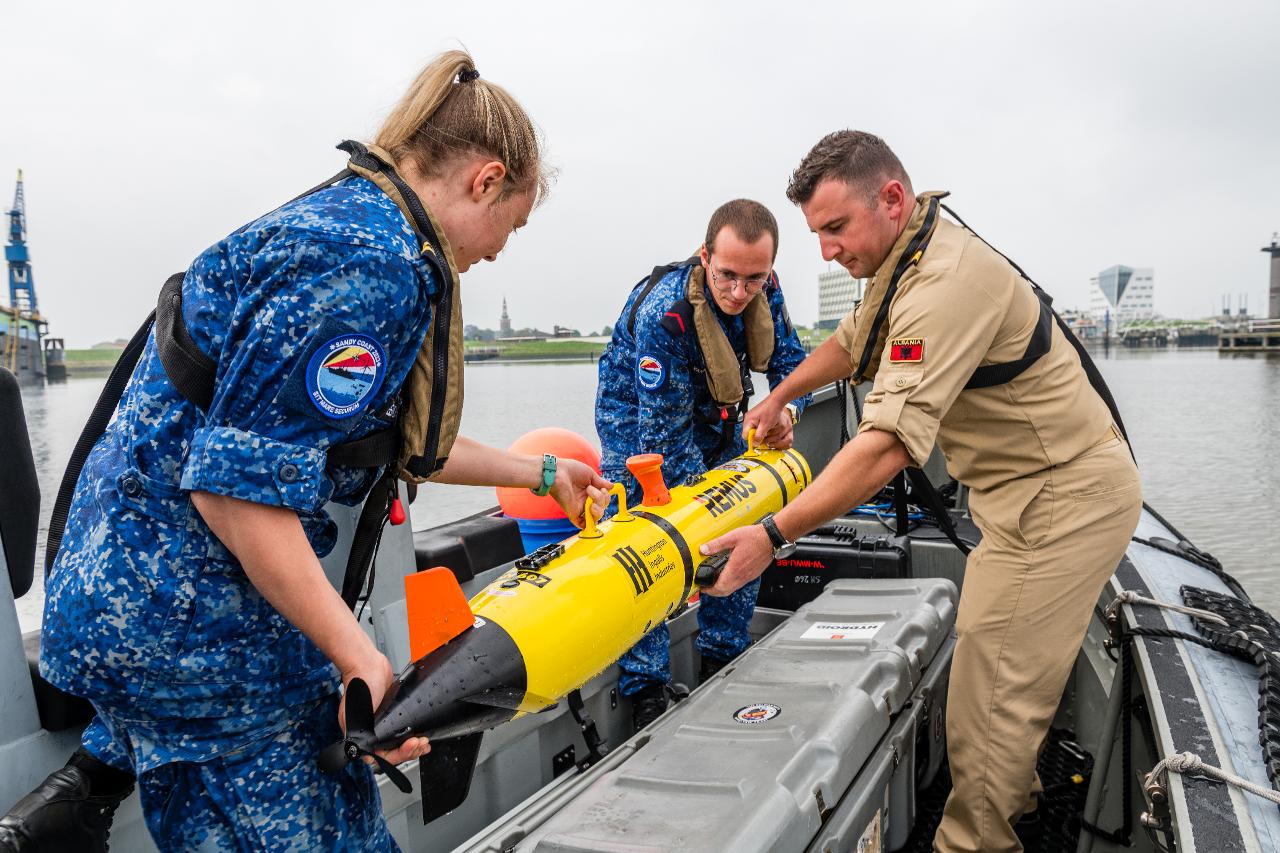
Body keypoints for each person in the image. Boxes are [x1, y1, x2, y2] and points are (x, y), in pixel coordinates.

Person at [1, 51, 609, 852]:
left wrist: (544, 471)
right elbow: (234, 491)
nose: (499, 250)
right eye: (512, 225)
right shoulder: (370, 265)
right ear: (485, 181)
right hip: (194, 627)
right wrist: (360, 657)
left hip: (135, 593)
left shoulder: (348, 219)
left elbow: (386, 440)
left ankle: (83, 789)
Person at [700, 131, 1142, 852]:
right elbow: (853, 341)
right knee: (992, 680)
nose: (827, 251)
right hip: (1024, 497)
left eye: (836, 227)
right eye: (817, 234)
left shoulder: (945, 283)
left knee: (988, 704)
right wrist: (779, 394)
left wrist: (773, 535)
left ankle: (975, 841)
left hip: (1061, 503)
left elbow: (886, 445)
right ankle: (1022, 802)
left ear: (892, 197)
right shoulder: (908, 256)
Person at [595, 199, 811, 731]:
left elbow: (793, 367)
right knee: (642, 542)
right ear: (705, 257)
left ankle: (723, 657)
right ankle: (646, 689)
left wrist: (786, 410)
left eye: (753, 279)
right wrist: (705, 508)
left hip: (716, 416)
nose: (739, 292)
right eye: (727, 276)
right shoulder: (663, 315)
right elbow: (664, 441)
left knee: (743, 524)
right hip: (639, 426)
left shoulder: (765, 287)